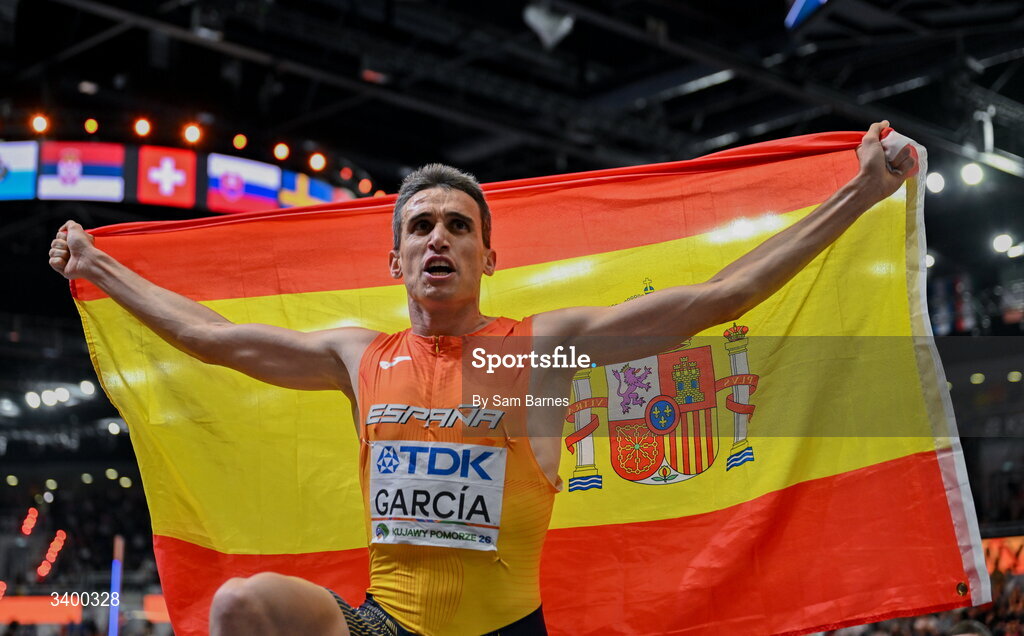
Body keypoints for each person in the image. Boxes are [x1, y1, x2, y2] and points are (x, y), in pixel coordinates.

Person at [49, 122, 916, 636]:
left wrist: (863, 192)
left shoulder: (539, 352)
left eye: (458, 227)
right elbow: (210, 336)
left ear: (489, 255)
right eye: (420, 226)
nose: (438, 239)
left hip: (504, 633)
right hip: (384, 627)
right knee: (240, 608)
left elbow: (725, 295)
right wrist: (98, 264)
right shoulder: (359, 356)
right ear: (395, 258)